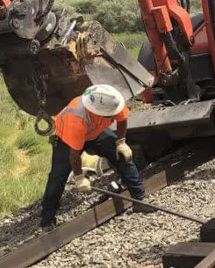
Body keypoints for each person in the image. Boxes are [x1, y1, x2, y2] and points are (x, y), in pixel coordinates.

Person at [41, 84, 144, 231]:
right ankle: (47, 220)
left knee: (120, 155)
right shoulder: (77, 118)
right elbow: (74, 154)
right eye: (110, 116)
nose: (113, 116)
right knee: (57, 176)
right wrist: (79, 177)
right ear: (98, 112)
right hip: (66, 138)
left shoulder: (111, 101)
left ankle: (139, 199)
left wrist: (121, 142)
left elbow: (122, 119)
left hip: (94, 132)